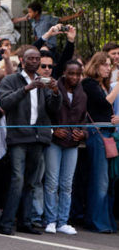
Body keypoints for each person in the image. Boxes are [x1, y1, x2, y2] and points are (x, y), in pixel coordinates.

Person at [0, 47, 59, 235]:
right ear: (22, 60)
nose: (35, 61)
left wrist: (55, 91)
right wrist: (26, 89)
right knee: (17, 179)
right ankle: (6, 222)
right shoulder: (11, 80)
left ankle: (26, 221)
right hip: (18, 137)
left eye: (37, 59)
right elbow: (4, 103)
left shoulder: (43, 82)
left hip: (38, 137)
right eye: (31, 58)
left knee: (32, 182)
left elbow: (54, 108)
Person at [43, 60, 86, 235]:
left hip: (73, 144)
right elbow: (44, 113)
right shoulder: (54, 88)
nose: (74, 77)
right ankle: (50, 220)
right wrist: (53, 131)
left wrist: (83, 133)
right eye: (71, 73)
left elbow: (84, 119)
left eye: (77, 74)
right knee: (51, 182)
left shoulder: (83, 94)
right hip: (55, 142)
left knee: (67, 184)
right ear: (64, 73)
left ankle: (63, 221)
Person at [80, 52, 119, 233]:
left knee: (109, 180)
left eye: (109, 64)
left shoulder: (101, 85)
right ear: (96, 65)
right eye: (104, 64)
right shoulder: (88, 83)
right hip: (97, 134)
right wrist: (117, 86)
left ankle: (107, 220)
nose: (108, 68)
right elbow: (103, 104)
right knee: (100, 180)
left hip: (108, 133)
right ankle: (97, 221)